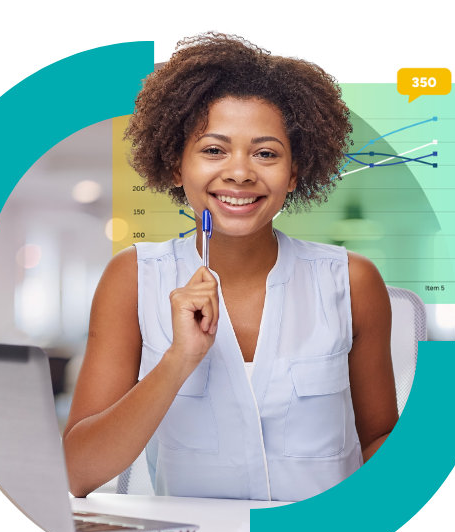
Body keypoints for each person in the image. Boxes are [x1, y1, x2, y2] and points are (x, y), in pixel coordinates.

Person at [63, 31, 398, 501]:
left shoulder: (352, 281)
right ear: (177, 166)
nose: (240, 172)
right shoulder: (133, 277)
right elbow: (78, 472)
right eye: (214, 149)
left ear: (295, 173)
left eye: (265, 153)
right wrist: (178, 360)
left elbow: (380, 441)